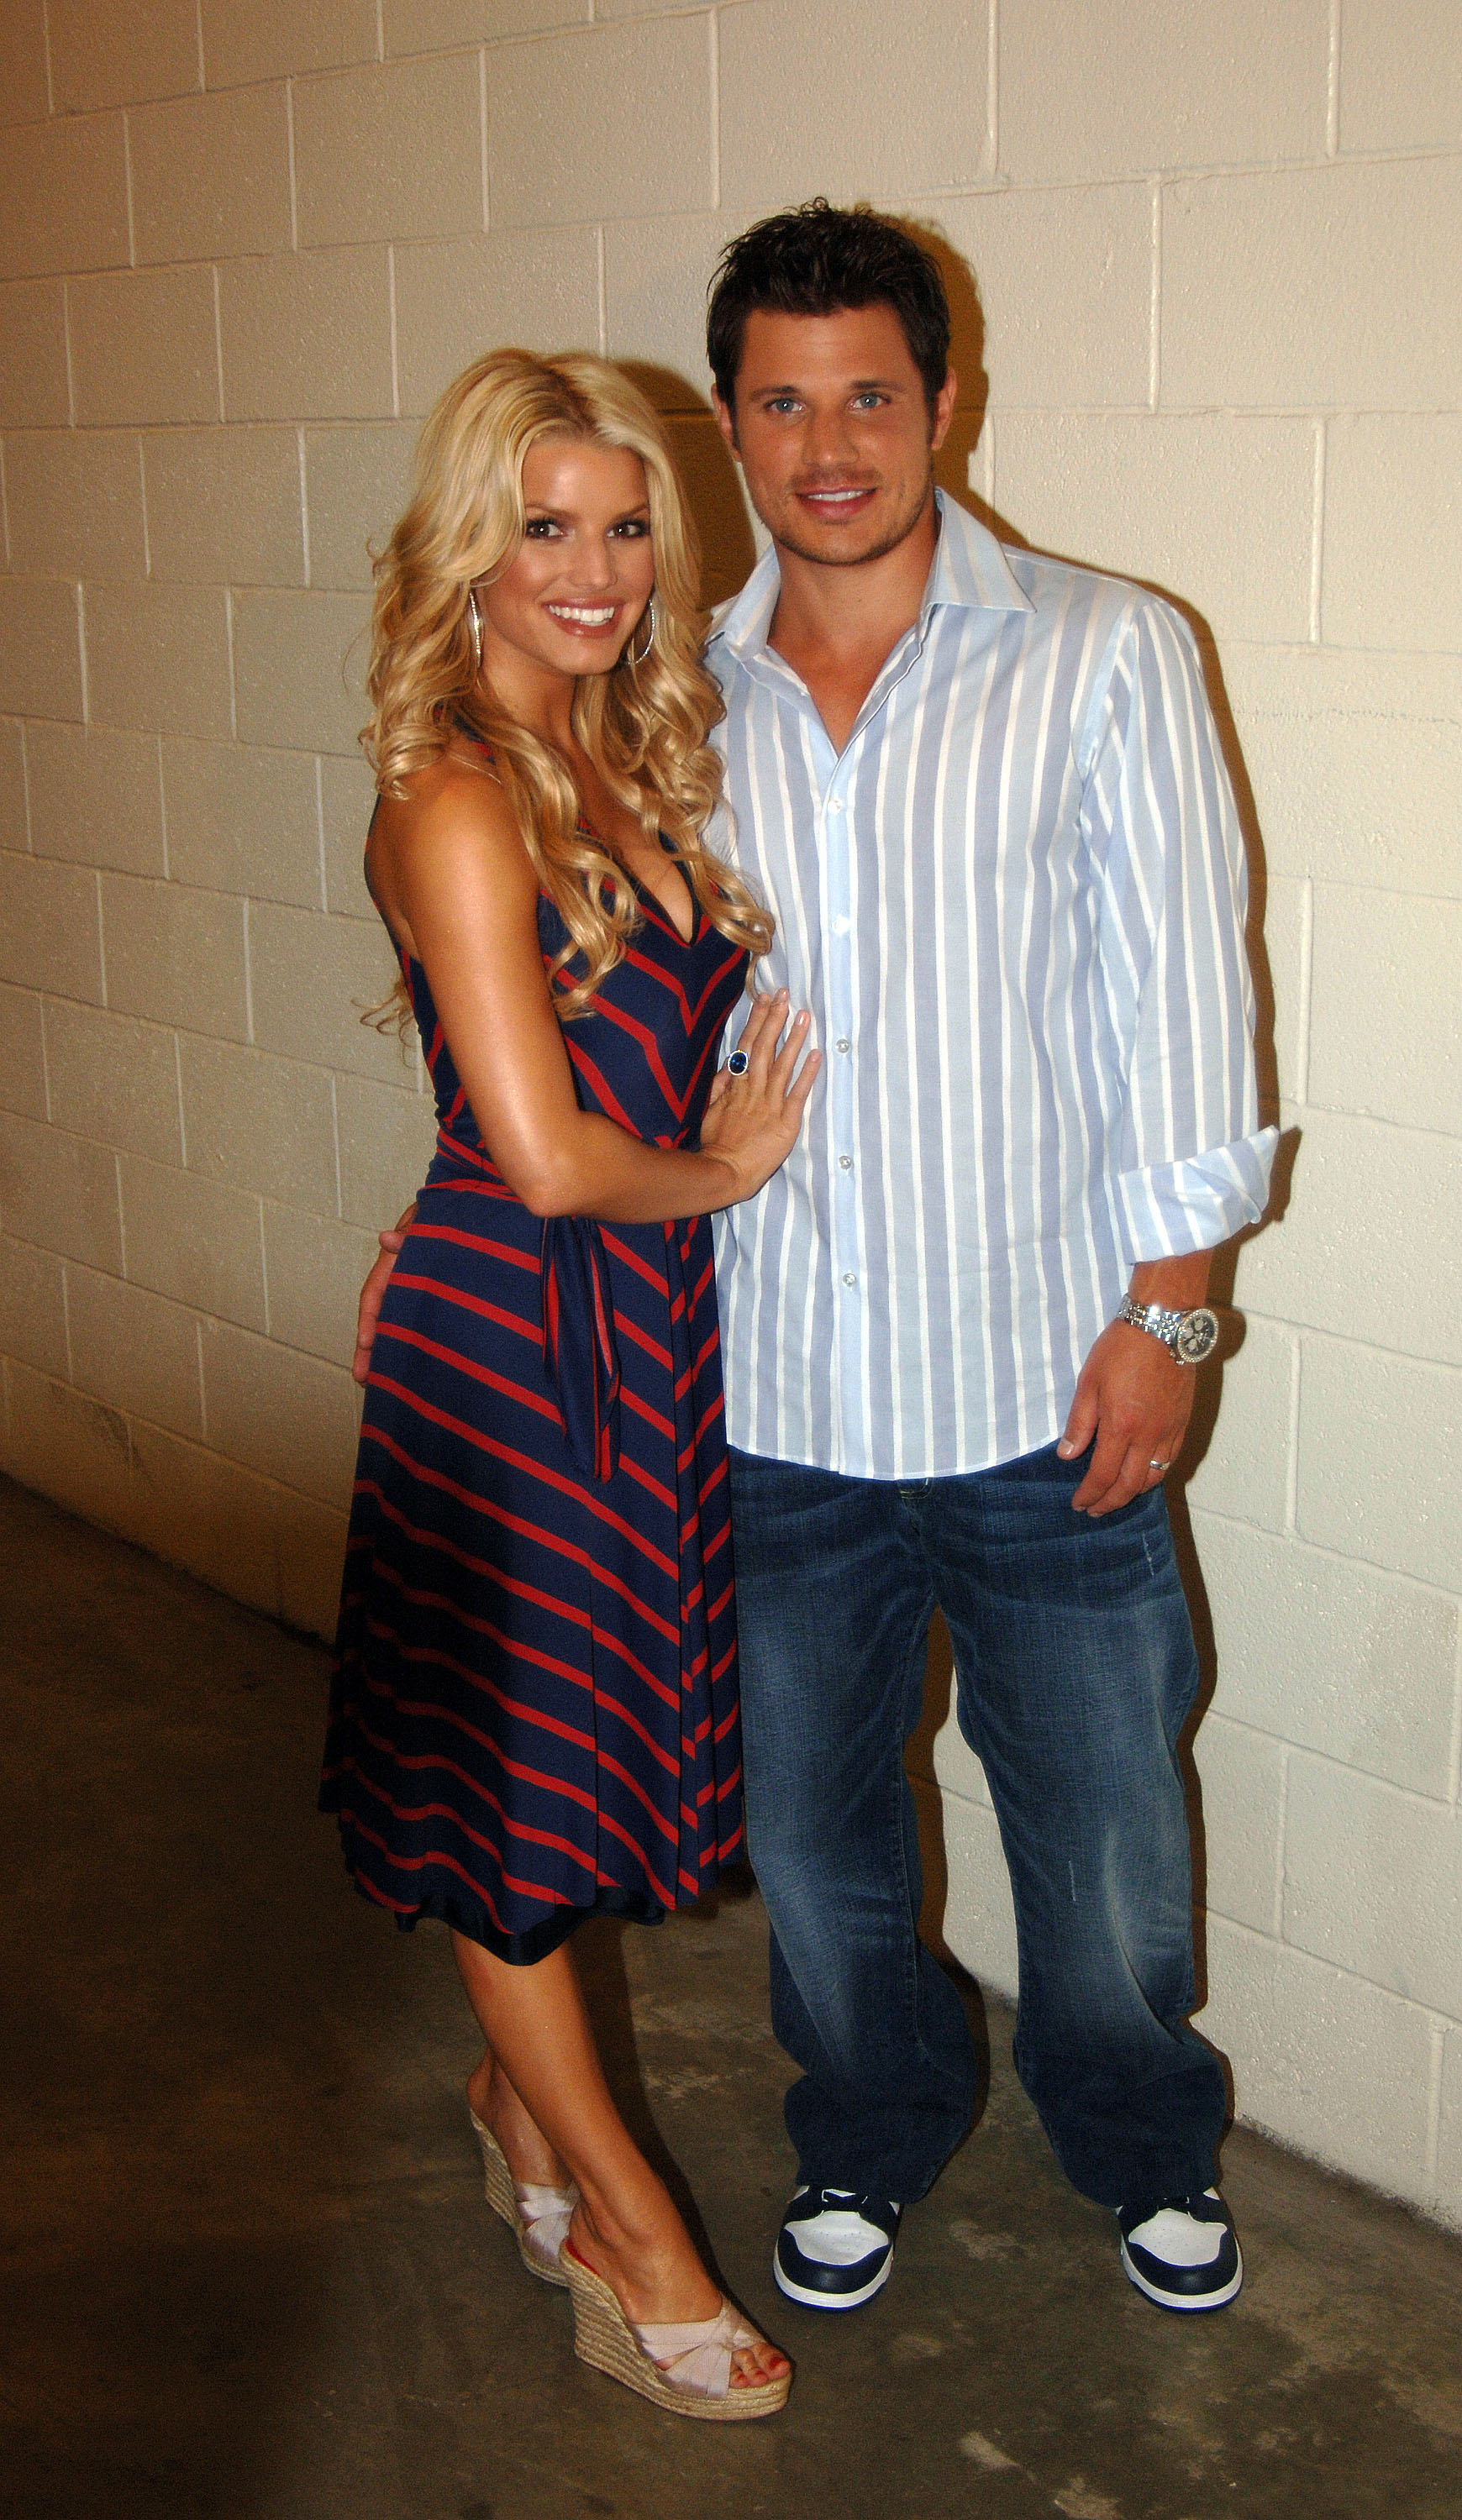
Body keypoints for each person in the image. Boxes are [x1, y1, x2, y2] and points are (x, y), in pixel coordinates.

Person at [359, 207, 1277, 2323]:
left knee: (1107, 1842)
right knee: (822, 1850)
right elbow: (524, 984)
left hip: (1045, 1384)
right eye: (783, 402)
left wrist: (1173, 1313)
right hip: (762, 1397)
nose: (831, 443)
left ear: (947, 400)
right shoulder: (670, 697)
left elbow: (1188, 1009)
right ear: (731, 426)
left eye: (873, 393)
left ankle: (1142, 2143)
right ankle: (867, 2127)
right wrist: (451, 1213)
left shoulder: (1105, 651)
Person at [322, 349, 818, 2419]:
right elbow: (538, 1154)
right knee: (516, 1801)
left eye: (625, 527)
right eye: (545, 527)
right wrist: (729, 1169)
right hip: (519, 1346)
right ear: (469, 546)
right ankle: (632, 2228)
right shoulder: (453, 789)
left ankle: (517, 2113)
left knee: (595, 1761)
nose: (597, 569)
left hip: (631, 1325)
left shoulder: (613, 754)